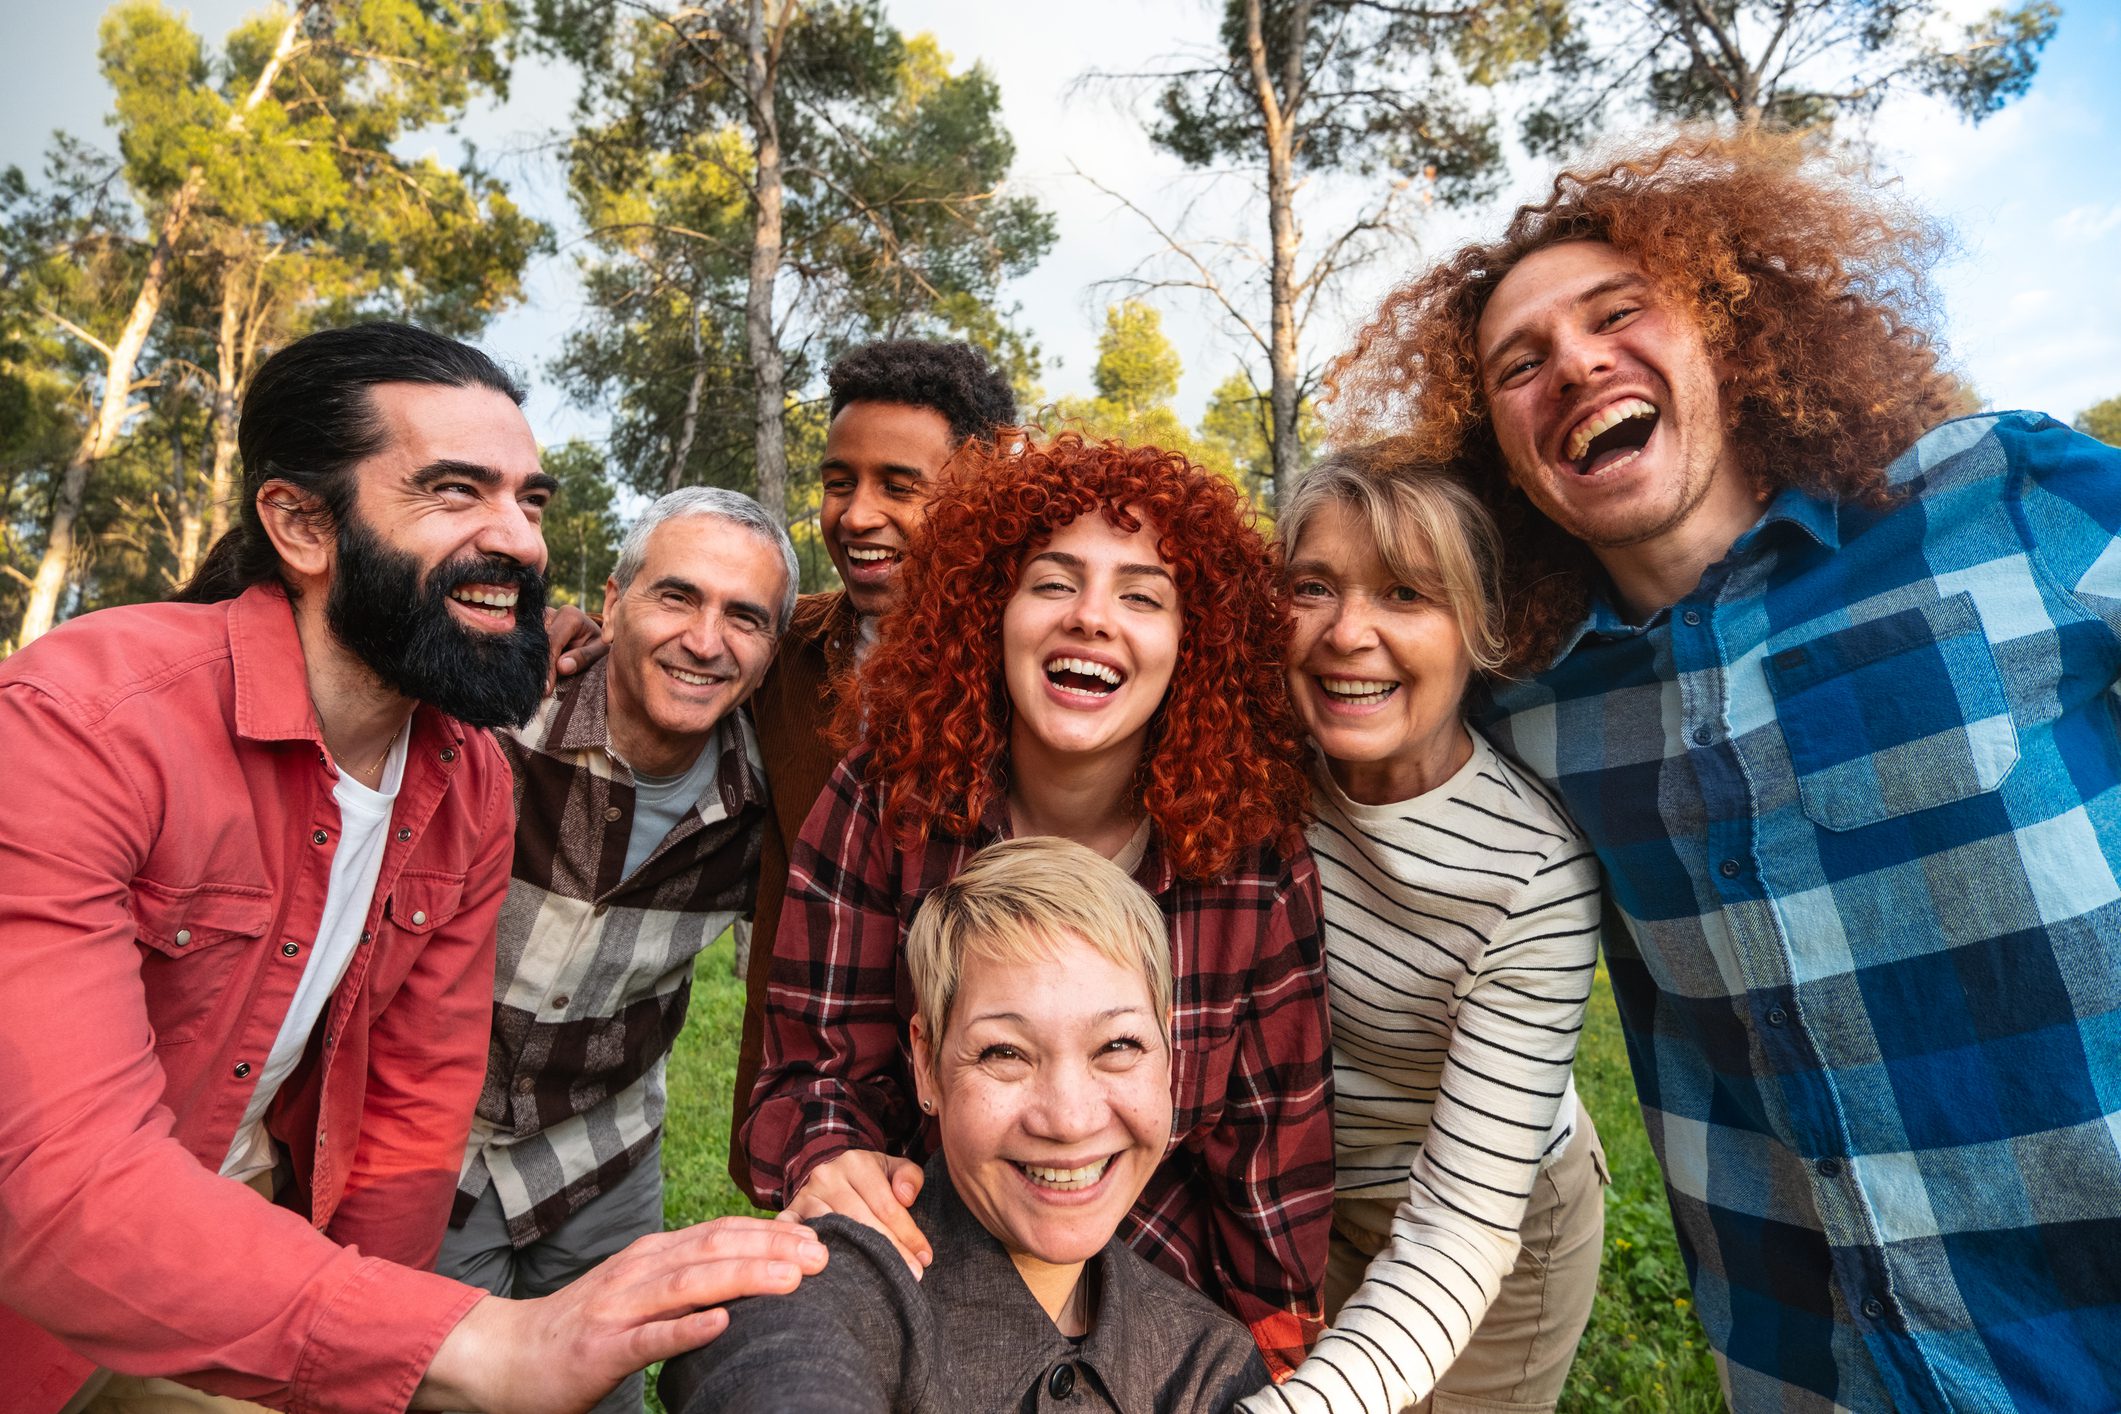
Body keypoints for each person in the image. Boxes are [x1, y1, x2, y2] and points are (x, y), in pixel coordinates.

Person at [1328, 128, 2121, 1412]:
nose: (1573, 363)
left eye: (1617, 314)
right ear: (1506, 454)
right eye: (1517, 365)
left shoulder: (2008, 497)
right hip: (1813, 1362)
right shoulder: (1525, 705)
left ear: (1731, 341)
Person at [0, 323, 824, 1414]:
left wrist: (371, 1370)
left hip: (273, 1240)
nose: (522, 542)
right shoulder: (80, 726)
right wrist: (472, 1344)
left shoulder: (463, 775)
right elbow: (58, 1186)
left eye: (531, 501)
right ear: (301, 523)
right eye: (453, 490)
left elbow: (408, 1115)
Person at [741, 433, 1334, 1375]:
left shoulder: (1245, 850)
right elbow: (811, 1066)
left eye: (1141, 595)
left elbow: (1269, 1146)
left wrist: (1274, 1358)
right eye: (1053, 583)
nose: (1092, 618)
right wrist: (829, 1156)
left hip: (1158, 1281)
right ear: (990, 614)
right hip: (927, 1269)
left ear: (1194, 645)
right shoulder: (883, 799)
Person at [1241, 445, 1605, 1414]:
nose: (1346, 631)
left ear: (1478, 629)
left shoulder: (1532, 872)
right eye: (1314, 586)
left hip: (1491, 1221)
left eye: (1405, 593)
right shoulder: (1263, 776)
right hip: (1308, 1202)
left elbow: (1459, 1230)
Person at [663, 837, 1269, 1413]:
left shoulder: (1211, 1365)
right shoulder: (848, 1282)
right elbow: (774, 1353)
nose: (1068, 1118)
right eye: (1004, 1053)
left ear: (1170, 1048)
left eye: (1118, 1044)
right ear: (926, 1065)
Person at [435, 487, 798, 1414]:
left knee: (599, 1399)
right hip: (432, 1146)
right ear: (610, 603)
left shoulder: (766, 803)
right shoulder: (492, 721)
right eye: (677, 597)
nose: (706, 640)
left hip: (603, 1153)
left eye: (744, 617)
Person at [729, 338, 1019, 1195]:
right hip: (818, 1100)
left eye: (900, 487)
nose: (856, 516)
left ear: (977, 496)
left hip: (993, 1106)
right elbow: (665, 662)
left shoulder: (1035, 669)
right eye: (837, 482)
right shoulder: (778, 658)